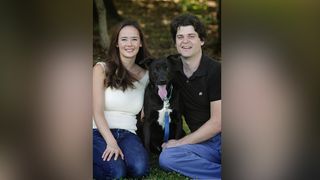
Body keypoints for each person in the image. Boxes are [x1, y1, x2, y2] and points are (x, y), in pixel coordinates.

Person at [159, 14, 221, 179]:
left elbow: (217, 123)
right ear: (175, 42)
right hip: (203, 143)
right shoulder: (173, 71)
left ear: (202, 40)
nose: (185, 41)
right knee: (167, 157)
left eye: (191, 36)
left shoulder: (216, 70)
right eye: (180, 37)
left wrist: (179, 143)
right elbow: (146, 72)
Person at [92, 20, 150, 179]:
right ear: (116, 43)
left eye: (134, 39)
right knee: (116, 173)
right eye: (124, 39)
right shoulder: (101, 69)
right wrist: (111, 142)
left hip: (128, 134)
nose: (129, 44)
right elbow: (96, 112)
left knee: (140, 169)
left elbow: (146, 113)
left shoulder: (146, 76)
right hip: (97, 132)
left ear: (140, 44)